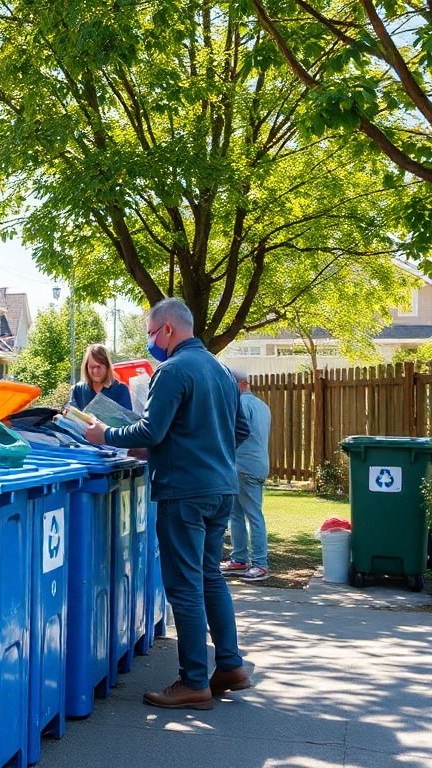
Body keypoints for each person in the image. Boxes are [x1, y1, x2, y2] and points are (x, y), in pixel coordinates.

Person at [84, 298, 253, 710]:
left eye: (150, 334)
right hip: (219, 489)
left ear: (168, 331)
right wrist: (206, 451)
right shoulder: (221, 370)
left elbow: (151, 429)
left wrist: (104, 433)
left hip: (184, 492)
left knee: (185, 585)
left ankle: (194, 681)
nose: (150, 343)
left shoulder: (173, 370)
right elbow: (241, 428)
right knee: (210, 576)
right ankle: (230, 666)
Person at [221, 369, 272, 582]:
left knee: (252, 515)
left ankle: (260, 563)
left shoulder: (241, 404)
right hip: (257, 464)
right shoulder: (262, 406)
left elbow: (236, 433)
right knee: (237, 514)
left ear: (240, 383)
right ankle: (239, 559)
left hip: (243, 465)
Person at [69, 344, 133, 412]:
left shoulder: (120, 390)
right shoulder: (78, 389)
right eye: (91, 367)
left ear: (107, 366)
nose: (95, 371)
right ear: (86, 367)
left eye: (99, 366)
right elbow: (71, 416)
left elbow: (127, 420)